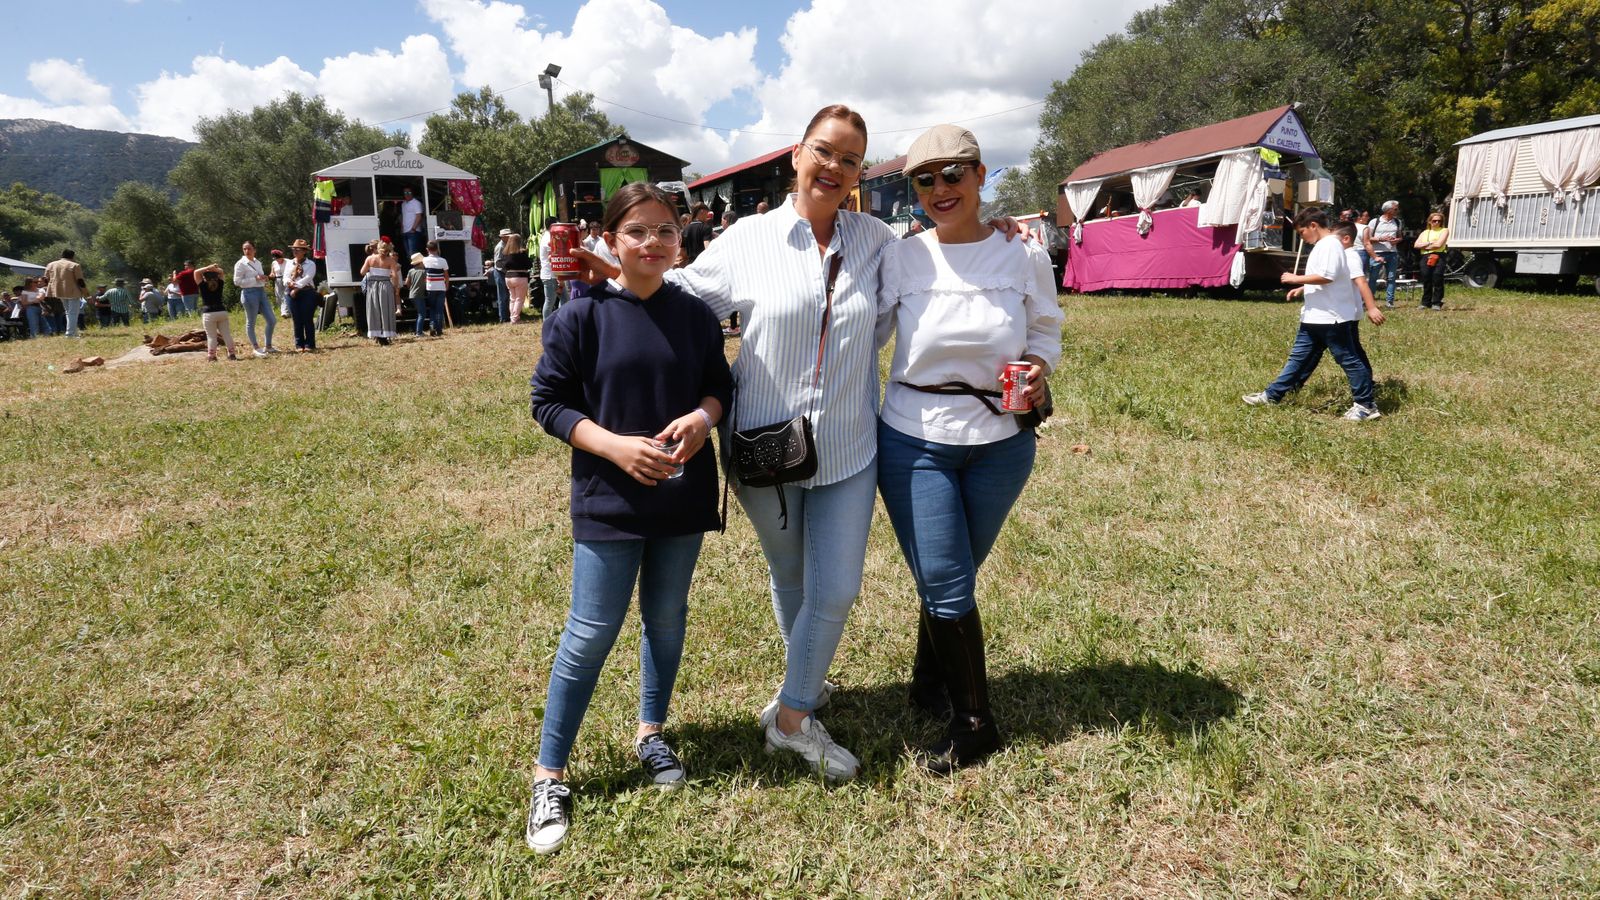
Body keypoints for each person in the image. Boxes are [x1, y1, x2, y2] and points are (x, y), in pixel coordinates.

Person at [574, 105, 896, 781]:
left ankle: (790, 717)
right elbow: (677, 289)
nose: (835, 168)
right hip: (764, 446)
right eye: (824, 152)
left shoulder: (878, 240)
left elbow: (926, 279)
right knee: (791, 579)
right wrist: (605, 266)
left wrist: (991, 234)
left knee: (834, 589)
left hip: (847, 445)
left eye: (851, 159)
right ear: (796, 155)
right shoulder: (748, 239)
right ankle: (806, 682)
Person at [526, 182, 733, 855]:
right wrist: (613, 445)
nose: (652, 243)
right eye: (637, 231)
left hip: (681, 495)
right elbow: (548, 403)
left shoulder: (696, 315)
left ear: (681, 241)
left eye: (666, 231)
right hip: (608, 499)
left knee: (666, 621)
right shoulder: (579, 318)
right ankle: (549, 774)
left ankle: (651, 733)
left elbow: (718, 386)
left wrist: (703, 420)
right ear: (609, 241)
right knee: (590, 633)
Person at [874, 125, 1063, 773]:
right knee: (948, 579)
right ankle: (975, 722)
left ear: (981, 175)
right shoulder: (903, 256)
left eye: (953, 173)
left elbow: (1045, 328)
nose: (939, 189)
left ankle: (930, 684)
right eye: (923, 179)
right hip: (914, 439)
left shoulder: (1024, 252)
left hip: (1002, 444)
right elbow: (858, 330)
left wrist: (1038, 365)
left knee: (950, 576)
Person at [1243, 209, 1384, 421]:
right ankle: (1272, 395)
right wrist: (1303, 287)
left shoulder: (1330, 245)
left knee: (1349, 360)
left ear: (1313, 226)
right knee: (1298, 360)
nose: (1303, 238)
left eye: (1302, 233)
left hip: (1331, 318)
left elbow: (1328, 276)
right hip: (1315, 317)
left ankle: (1366, 405)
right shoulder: (1325, 245)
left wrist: (1295, 279)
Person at [233, 241, 274, 356]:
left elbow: (259, 277)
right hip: (249, 293)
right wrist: (255, 279)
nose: (247, 251)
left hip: (261, 292)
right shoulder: (240, 264)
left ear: (254, 250)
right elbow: (237, 282)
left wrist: (263, 278)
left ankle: (268, 346)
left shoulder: (258, 262)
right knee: (251, 322)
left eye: (249, 248)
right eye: (244, 249)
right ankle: (255, 347)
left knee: (272, 320)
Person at [193, 264, 240, 361]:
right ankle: (232, 354)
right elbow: (222, 271)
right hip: (222, 311)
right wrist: (213, 268)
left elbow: (196, 272)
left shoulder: (203, 285)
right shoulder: (220, 283)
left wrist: (207, 267)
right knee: (226, 334)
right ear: (216, 276)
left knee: (211, 336)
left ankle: (212, 356)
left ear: (204, 277)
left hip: (209, 313)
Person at [360, 238, 402, 345]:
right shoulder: (390, 261)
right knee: (386, 309)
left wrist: (372, 270)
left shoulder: (370, 259)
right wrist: (395, 285)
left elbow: (362, 272)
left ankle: (377, 335)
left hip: (373, 285)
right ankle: (385, 334)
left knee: (374, 309)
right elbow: (395, 276)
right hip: (385, 285)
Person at [44, 248, 88, 338]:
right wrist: (86, 293)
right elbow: (80, 281)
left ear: (62, 255)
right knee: (73, 313)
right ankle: (70, 334)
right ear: (72, 256)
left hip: (58, 291)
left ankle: (73, 332)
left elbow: (46, 279)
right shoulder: (75, 265)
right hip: (73, 291)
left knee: (68, 312)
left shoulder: (51, 264)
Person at [285, 239, 319, 352]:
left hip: (306, 292)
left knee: (307, 318)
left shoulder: (311, 264)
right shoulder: (289, 263)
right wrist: (289, 283)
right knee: (297, 319)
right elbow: (285, 277)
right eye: (293, 249)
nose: (295, 251)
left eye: (297, 249)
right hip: (290, 291)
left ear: (304, 251)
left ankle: (310, 344)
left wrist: (296, 288)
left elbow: (307, 278)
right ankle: (299, 344)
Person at [1369, 200, 1403, 308]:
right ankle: (1369, 301)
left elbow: (1400, 237)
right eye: (1395, 209)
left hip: (1392, 253)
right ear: (1388, 210)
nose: (1397, 211)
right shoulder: (1375, 222)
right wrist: (1381, 238)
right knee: (1373, 278)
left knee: (1391, 278)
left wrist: (1396, 240)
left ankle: (1390, 302)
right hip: (1377, 253)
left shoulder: (1397, 222)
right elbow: (1367, 238)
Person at [1414, 210, 1450, 310]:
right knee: (1426, 278)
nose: (1437, 223)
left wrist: (1424, 245)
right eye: (1434, 221)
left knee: (1437, 277)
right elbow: (1416, 245)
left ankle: (1437, 302)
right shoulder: (1425, 232)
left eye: (1439, 221)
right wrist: (1430, 243)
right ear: (1430, 221)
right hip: (1425, 257)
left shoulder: (1444, 230)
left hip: (1439, 256)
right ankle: (1425, 302)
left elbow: (1439, 244)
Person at [500, 233, 533, 323]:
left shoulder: (506, 253)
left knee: (513, 298)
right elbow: (529, 265)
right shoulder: (522, 253)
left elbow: (504, 266)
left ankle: (513, 317)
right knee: (519, 299)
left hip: (508, 277)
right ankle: (515, 319)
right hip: (520, 277)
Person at [420, 241, 449, 337]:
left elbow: (423, 274)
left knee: (432, 308)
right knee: (439, 309)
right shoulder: (443, 260)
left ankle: (432, 326)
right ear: (437, 249)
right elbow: (446, 275)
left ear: (427, 250)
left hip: (430, 287)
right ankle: (439, 330)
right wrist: (447, 285)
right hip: (441, 287)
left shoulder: (424, 260)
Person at [538, 225, 565, 320]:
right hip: (551, 275)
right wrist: (559, 277)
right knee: (550, 301)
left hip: (551, 274)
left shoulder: (547, 237)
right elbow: (553, 259)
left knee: (564, 299)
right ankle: (547, 323)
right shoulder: (548, 239)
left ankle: (560, 320)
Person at [399, 186, 425, 260]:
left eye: (409, 192)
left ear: (412, 193)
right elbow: (403, 217)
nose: (407, 194)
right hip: (405, 232)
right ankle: (412, 270)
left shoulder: (416, 203)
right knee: (408, 254)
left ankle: (417, 270)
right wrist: (402, 228)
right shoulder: (403, 204)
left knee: (413, 254)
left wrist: (413, 228)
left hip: (414, 232)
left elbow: (419, 216)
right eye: (405, 193)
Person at [493, 227, 512, 323]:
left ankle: (507, 316)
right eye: (507, 236)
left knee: (507, 296)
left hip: (505, 272)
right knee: (502, 296)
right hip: (500, 272)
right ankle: (503, 318)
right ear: (503, 237)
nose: (509, 237)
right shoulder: (500, 247)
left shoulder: (507, 245)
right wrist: (507, 269)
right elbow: (498, 263)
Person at [406, 252, 428, 335]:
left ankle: (417, 331)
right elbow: (426, 282)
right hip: (419, 295)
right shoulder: (423, 272)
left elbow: (407, 283)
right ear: (421, 263)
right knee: (422, 314)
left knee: (419, 313)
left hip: (411, 294)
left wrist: (411, 288)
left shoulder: (411, 271)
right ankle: (419, 332)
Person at [269, 249, 290, 318]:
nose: (277, 260)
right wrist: (272, 275)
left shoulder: (288, 262)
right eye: (276, 259)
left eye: (278, 258)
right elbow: (272, 272)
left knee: (285, 295)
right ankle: (287, 311)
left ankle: (284, 312)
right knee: (278, 297)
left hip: (286, 279)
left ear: (282, 257)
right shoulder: (274, 263)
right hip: (277, 280)